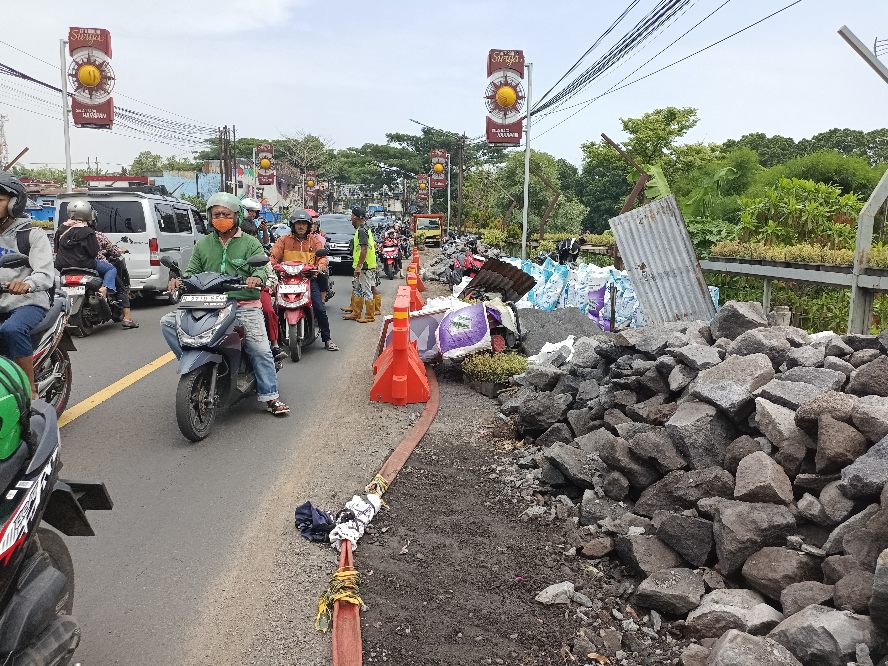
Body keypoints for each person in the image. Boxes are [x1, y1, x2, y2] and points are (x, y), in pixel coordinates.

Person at [162, 192, 289, 416]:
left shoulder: (250, 243)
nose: (221, 218)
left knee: (260, 349)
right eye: (216, 214)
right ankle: (197, 366)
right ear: (210, 218)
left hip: (243, 303)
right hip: (208, 303)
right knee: (168, 323)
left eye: (226, 214)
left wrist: (256, 277)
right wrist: (179, 281)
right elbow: (192, 272)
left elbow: (261, 268)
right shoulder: (203, 244)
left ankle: (270, 396)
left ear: (237, 216)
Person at [0, 172, 55, 398]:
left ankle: (29, 391)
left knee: (11, 330)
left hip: (27, 301)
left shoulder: (32, 234)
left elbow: (44, 273)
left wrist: (27, 284)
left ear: (14, 203)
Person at [269, 209, 339, 351]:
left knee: (319, 308)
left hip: (308, 279)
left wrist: (321, 264)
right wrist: (270, 264)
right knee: (274, 309)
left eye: (304, 223)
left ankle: (327, 339)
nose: (301, 226)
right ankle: (274, 343)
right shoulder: (283, 240)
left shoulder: (314, 241)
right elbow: (274, 255)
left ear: (308, 226)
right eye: (298, 223)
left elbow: (322, 257)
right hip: (286, 280)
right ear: (293, 225)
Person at [54, 200, 118, 300]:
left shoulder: (61, 229)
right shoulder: (88, 231)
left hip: (63, 266)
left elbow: (56, 249)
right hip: (84, 264)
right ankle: (105, 288)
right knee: (111, 269)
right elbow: (93, 253)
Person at [342, 207, 379, 323]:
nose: (351, 218)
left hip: (365, 266)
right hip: (364, 265)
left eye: (352, 216)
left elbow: (364, 249)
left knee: (367, 291)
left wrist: (359, 266)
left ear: (356, 217)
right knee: (357, 288)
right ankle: (356, 312)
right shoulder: (363, 229)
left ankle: (369, 316)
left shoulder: (362, 230)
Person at [96, 231, 138, 329]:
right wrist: (122, 250)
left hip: (74, 267)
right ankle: (127, 319)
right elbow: (112, 250)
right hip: (97, 265)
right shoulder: (96, 235)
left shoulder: (68, 234)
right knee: (121, 288)